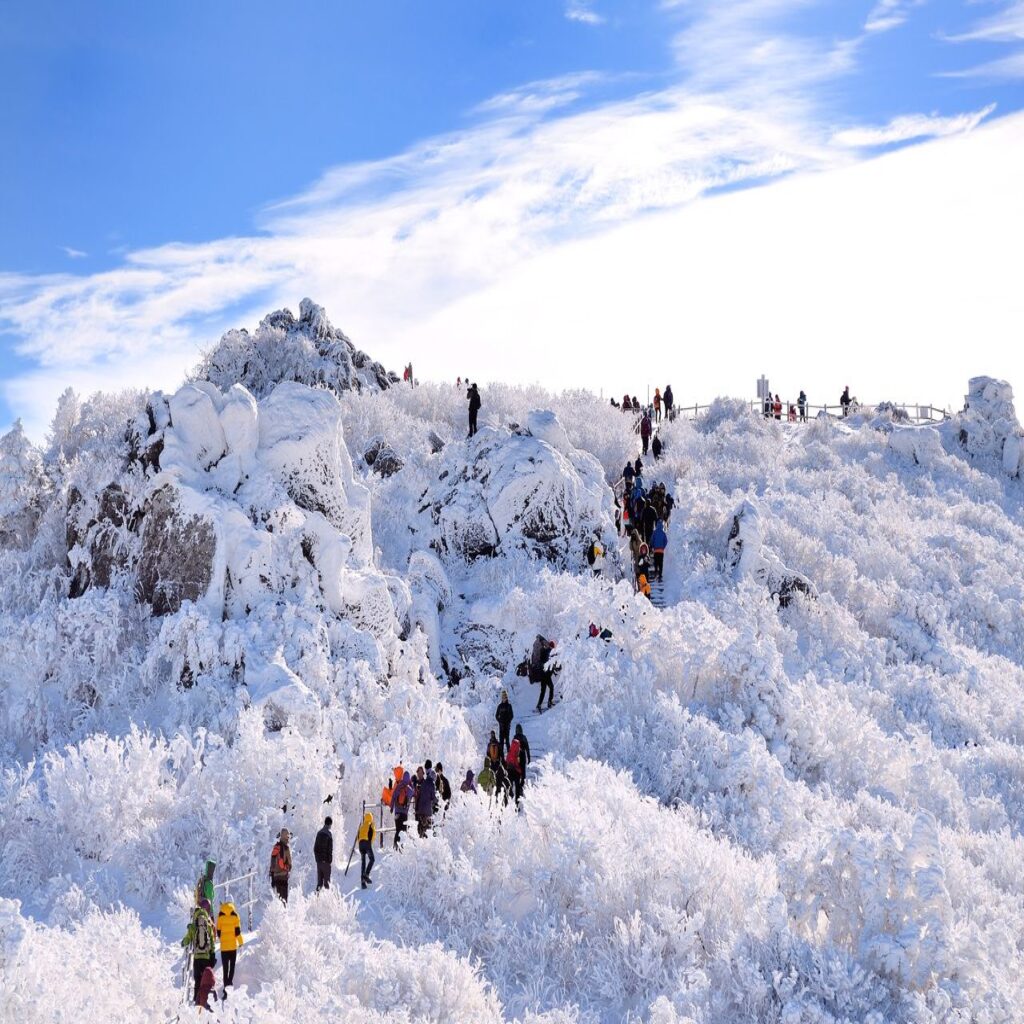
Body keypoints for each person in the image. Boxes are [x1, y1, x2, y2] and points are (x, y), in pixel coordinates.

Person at [181, 898, 217, 1006]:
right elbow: (212, 941)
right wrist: (212, 954)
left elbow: (187, 939)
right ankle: (204, 1002)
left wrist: (184, 942)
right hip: (206, 957)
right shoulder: (208, 924)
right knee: (204, 980)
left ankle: (196, 1002)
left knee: (197, 979)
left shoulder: (193, 925)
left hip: (197, 958)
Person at [216, 900, 243, 995]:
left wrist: (223, 939)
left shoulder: (220, 915)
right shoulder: (235, 915)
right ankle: (229, 985)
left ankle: (225, 987)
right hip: (232, 947)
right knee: (232, 967)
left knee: (225, 968)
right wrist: (241, 943)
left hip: (224, 948)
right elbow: (237, 932)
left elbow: (218, 932)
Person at [390, 770, 413, 848]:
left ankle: (395, 846)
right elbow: (414, 793)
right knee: (403, 831)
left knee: (397, 830)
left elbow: (393, 796)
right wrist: (411, 784)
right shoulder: (409, 789)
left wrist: (391, 807)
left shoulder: (399, 786)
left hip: (397, 813)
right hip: (404, 813)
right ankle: (402, 847)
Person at [269, 828, 291, 904]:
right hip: (283, 877)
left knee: (279, 899)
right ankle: (284, 914)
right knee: (284, 900)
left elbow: (272, 863)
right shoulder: (286, 848)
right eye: (288, 836)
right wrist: (287, 869)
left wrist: (272, 876)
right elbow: (290, 865)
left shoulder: (276, 847)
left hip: (275, 877)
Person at [355, 811, 375, 888]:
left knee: (363, 863)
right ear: (371, 818)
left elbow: (358, 837)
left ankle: (362, 883)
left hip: (360, 845)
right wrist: (369, 844)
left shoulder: (362, 826)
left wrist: (360, 844)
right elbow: (373, 835)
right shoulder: (371, 824)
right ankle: (366, 875)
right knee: (372, 859)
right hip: (367, 843)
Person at [314, 816, 333, 892]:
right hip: (326, 863)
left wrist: (317, 860)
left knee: (319, 883)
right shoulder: (329, 834)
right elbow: (330, 849)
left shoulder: (319, 833)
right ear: (330, 824)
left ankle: (316, 899)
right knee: (327, 884)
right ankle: (327, 902)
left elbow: (315, 848)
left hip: (319, 862)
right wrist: (329, 860)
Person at [536, 640, 557, 712]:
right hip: (546, 675)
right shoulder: (550, 652)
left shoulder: (545, 651)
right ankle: (549, 702)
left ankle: (539, 704)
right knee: (551, 687)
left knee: (543, 691)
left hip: (542, 675)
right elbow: (550, 664)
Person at [415, 765, 436, 837]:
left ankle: (420, 843)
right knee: (427, 830)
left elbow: (419, 795)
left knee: (420, 829)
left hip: (420, 810)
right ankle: (425, 845)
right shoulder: (431, 784)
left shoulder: (423, 783)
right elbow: (433, 798)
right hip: (427, 812)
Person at [506, 734, 524, 804]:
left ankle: (510, 801)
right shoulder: (519, 752)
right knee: (517, 788)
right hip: (517, 772)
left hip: (510, 771)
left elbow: (507, 761)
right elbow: (521, 764)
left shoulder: (510, 752)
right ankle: (517, 803)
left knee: (510, 786)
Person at [495, 690, 514, 755]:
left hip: (507, 726)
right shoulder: (499, 706)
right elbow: (496, 715)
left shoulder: (509, 706)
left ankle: (510, 756)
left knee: (507, 742)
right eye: (503, 697)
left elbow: (512, 715)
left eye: (505, 697)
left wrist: (508, 721)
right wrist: (499, 721)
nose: (504, 698)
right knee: (501, 742)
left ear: (507, 697)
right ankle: (501, 757)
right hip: (501, 726)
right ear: (502, 698)